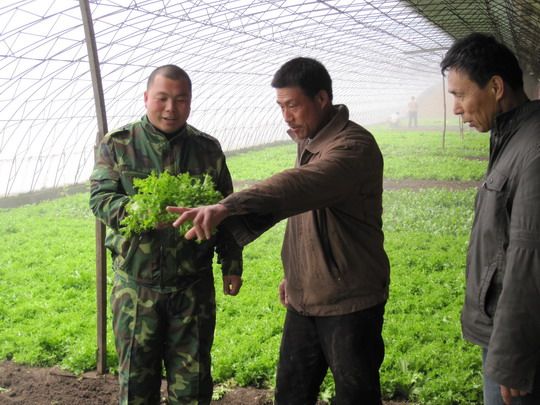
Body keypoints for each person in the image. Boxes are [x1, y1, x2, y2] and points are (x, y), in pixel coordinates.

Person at [168, 57, 390, 404]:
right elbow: (303, 215)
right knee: (291, 393)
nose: (286, 116)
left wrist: (227, 206)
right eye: (281, 106)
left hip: (349, 301)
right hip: (304, 299)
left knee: (355, 395)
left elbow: (298, 188)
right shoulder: (311, 137)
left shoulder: (352, 147)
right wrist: (295, 273)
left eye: (293, 105)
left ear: (321, 99)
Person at [89, 65, 243, 404]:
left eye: (180, 99)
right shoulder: (119, 144)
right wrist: (139, 211)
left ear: (190, 103)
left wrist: (231, 263)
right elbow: (100, 199)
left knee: (194, 385)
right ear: (147, 98)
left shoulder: (207, 150)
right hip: (136, 288)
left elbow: (227, 211)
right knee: (136, 387)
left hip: (192, 287)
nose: (171, 108)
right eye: (162, 98)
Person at [441, 33, 540, 405]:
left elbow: (529, 259)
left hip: (519, 348)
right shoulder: (513, 137)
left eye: (460, 95)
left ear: (496, 87)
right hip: (503, 335)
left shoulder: (533, 149)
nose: (456, 108)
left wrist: (511, 357)